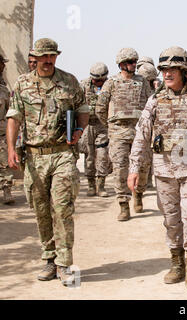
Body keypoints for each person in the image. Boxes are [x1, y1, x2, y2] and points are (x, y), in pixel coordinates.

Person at [127, 46, 187, 289]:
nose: (167, 74)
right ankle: (176, 263)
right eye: (164, 70)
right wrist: (134, 167)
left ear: (184, 71)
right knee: (171, 220)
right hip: (163, 169)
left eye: (172, 69)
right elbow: (141, 135)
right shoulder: (155, 99)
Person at [6, 38, 89, 286]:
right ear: (35, 57)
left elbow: (83, 109)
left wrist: (79, 130)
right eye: (43, 56)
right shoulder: (23, 83)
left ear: (56, 57)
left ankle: (64, 263)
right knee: (41, 210)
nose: (47, 60)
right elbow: (14, 117)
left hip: (63, 153)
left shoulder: (69, 81)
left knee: (62, 208)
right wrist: (11, 148)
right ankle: (50, 259)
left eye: (51, 56)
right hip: (34, 156)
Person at [96, 48, 152, 221]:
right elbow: (100, 108)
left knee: (143, 167)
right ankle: (123, 204)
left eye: (134, 62)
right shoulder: (111, 82)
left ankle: (139, 194)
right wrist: (111, 126)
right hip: (118, 132)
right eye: (129, 62)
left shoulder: (142, 81)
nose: (133, 65)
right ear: (121, 64)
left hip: (139, 132)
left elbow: (151, 104)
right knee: (120, 168)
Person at [78, 62, 112, 197]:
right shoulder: (84, 85)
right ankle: (91, 185)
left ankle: (101, 185)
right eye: (95, 80)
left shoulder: (109, 85)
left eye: (101, 80)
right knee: (90, 155)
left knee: (103, 155)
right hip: (88, 125)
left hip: (103, 125)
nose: (98, 82)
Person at [0, 57, 14, 205]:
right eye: (1, 63)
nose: (3, 66)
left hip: (1, 134)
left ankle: (7, 191)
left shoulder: (4, 90)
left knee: (4, 164)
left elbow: (10, 112)